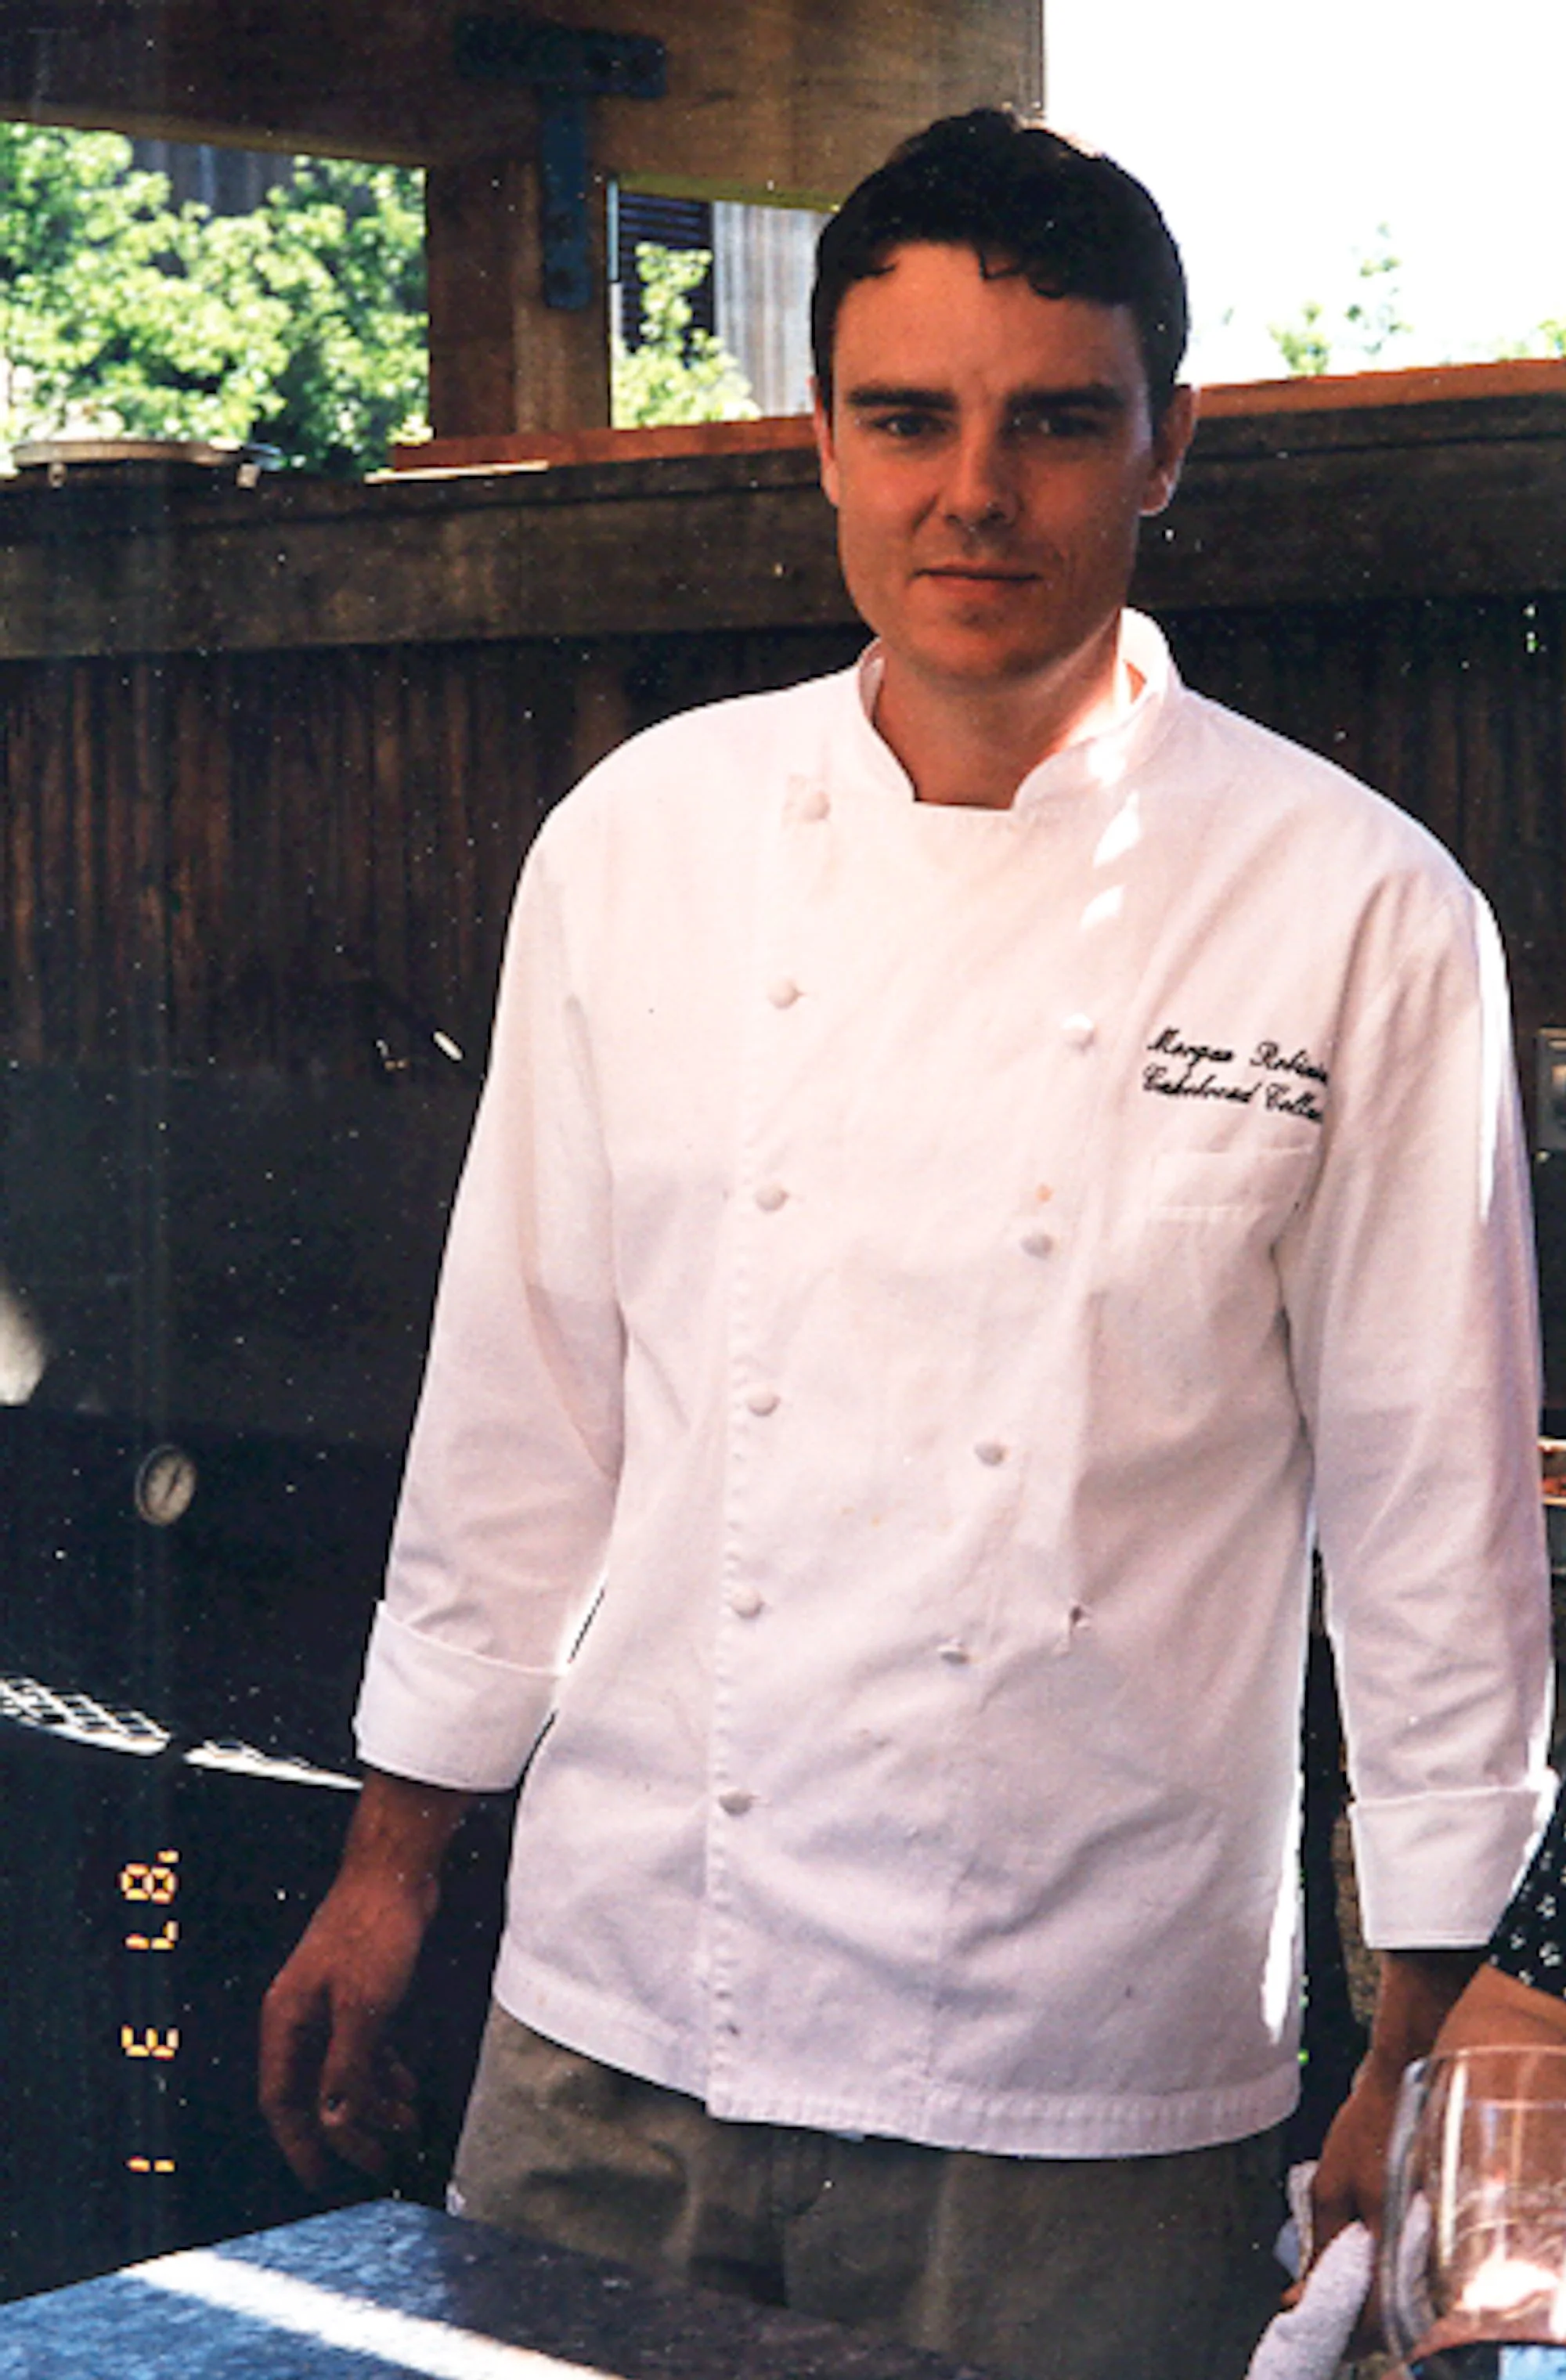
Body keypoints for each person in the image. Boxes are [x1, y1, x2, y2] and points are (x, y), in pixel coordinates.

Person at [260, 110, 1554, 2380]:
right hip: (614, 2016)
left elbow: (1433, 1520)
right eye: (910, 419)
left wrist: (1419, 2045)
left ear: (1169, 448)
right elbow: (519, 1415)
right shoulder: (638, 843)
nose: (979, 491)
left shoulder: (1360, 912)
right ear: (824, 445)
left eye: (1058, 422)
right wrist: (392, 1867)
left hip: (1080, 2079)